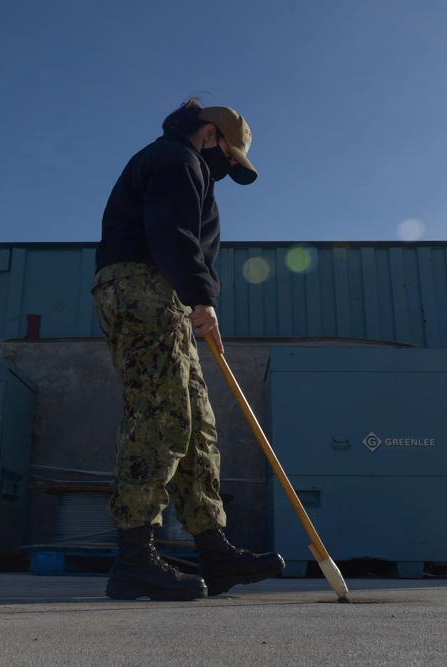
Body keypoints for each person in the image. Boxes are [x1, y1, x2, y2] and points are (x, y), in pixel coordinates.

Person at [91, 100, 285, 600]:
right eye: (229, 155)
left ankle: (214, 551)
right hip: (144, 287)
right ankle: (134, 559)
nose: (227, 168)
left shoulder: (186, 163)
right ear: (208, 134)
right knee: (161, 415)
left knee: (196, 422)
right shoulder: (176, 160)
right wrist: (202, 296)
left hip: (165, 294)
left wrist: (191, 298)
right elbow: (171, 233)